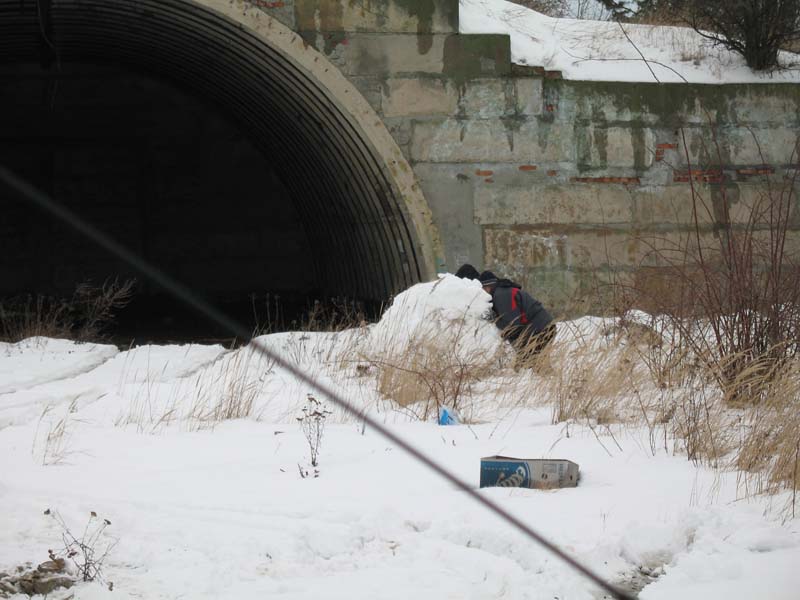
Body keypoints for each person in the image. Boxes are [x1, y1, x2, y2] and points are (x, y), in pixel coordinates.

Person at [477, 270, 557, 361]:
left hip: (539, 330)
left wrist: (494, 319)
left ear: (487, 288)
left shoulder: (501, 295)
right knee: (537, 366)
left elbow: (513, 325)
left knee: (527, 367)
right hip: (543, 327)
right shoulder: (504, 291)